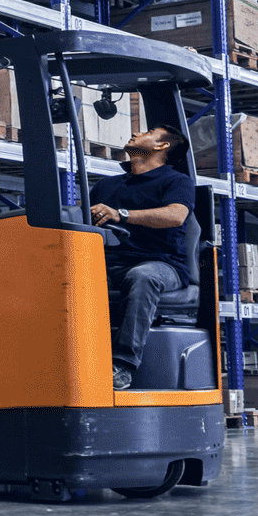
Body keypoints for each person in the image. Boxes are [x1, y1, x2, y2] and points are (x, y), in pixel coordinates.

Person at [88, 124, 196, 382]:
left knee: (142, 277)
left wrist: (121, 215)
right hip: (109, 262)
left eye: (147, 133)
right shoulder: (106, 185)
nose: (136, 133)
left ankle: (122, 365)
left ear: (162, 146)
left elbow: (176, 215)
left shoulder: (176, 181)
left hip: (161, 263)